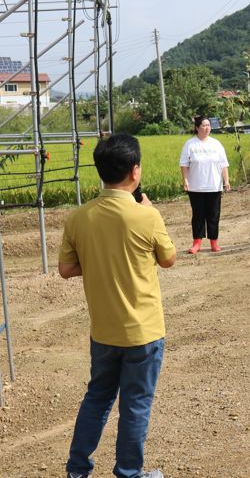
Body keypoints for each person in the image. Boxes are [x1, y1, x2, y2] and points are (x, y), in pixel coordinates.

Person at [59, 133, 176, 478]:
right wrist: (150, 213)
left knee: (97, 397)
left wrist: (99, 263)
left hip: (103, 331)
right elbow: (168, 259)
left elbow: (66, 269)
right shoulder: (146, 217)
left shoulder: (78, 217)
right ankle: (128, 472)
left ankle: (77, 469)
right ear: (135, 171)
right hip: (143, 331)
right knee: (135, 406)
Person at [180, 116, 231, 254]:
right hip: (196, 187)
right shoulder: (190, 144)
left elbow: (223, 165)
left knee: (214, 215)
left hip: (214, 186)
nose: (207, 128)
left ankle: (214, 242)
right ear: (197, 127)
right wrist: (185, 180)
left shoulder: (216, 144)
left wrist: (226, 181)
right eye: (204, 125)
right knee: (198, 215)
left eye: (208, 125)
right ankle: (197, 243)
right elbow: (184, 165)